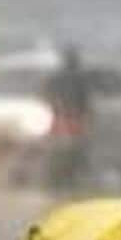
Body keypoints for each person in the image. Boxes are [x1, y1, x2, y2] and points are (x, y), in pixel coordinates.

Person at [40, 46, 94, 189]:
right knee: (75, 147)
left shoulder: (58, 78)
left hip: (62, 116)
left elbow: (46, 95)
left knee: (61, 147)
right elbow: (86, 99)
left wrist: (55, 107)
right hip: (72, 116)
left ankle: (60, 177)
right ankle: (70, 176)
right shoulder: (80, 78)